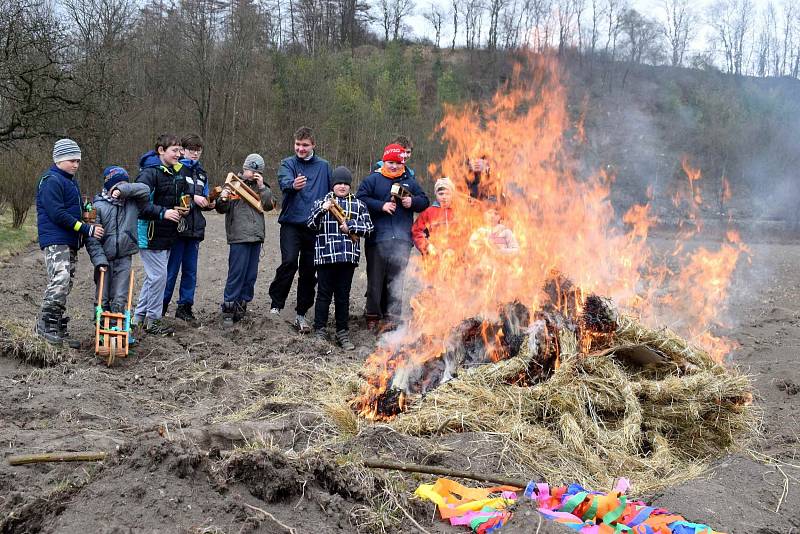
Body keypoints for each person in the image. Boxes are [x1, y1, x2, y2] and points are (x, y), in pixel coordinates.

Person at [35, 139, 105, 347]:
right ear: (59, 159)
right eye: (71, 160)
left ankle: (56, 324)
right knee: (61, 278)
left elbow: (70, 211)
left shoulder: (70, 182)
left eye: (78, 161)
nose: (76, 164)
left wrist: (84, 213)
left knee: (66, 283)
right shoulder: (51, 180)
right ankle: (45, 324)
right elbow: (57, 214)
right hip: (55, 239)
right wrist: (86, 228)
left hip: (69, 241)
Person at [356, 143, 429, 329]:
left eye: (397, 162)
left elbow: (425, 201)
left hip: (402, 240)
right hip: (377, 239)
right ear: (384, 161)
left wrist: (411, 201)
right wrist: (381, 206)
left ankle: (393, 317)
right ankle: (372, 316)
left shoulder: (410, 181)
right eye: (390, 162)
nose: (394, 166)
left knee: (396, 281)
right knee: (375, 280)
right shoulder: (373, 179)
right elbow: (360, 199)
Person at [268, 126, 332, 333]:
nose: (301, 149)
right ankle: (276, 304)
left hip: (315, 226)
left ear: (313, 145)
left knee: (308, 270)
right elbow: (284, 181)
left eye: (305, 145)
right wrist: (292, 185)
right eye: (297, 145)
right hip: (291, 223)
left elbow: (332, 191)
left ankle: (301, 311)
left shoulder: (324, 167)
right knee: (288, 262)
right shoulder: (288, 163)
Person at [307, 166, 373, 349]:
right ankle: (320, 329)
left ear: (350, 185)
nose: (342, 186)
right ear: (333, 185)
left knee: (343, 296)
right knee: (323, 295)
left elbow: (369, 228)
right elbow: (310, 224)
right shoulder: (321, 202)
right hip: (326, 257)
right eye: (339, 183)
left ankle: (342, 332)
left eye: (345, 183)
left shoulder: (359, 205)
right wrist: (322, 209)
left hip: (347, 258)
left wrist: (351, 226)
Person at [132, 134, 186, 336]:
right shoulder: (148, 174)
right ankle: (153, 320)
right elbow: (141, 205)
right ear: (161, 151)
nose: (179, 154)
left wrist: (180, 209)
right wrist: (164, 212)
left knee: (153, 277)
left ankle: (138, 318)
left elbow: (172, 200)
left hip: (165, 235)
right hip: (149, 234)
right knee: (159, 277)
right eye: (174, 150)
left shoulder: (174, 174)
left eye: (180, 150)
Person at [85, 166, 150, 332]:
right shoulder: (97, 206)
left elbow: (145, 190)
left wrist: (122, 189)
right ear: (108, 185)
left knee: (120, 295)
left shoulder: (132, 204)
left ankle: (118, 327)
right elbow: (92, 239)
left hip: (124, 257)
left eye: (124, 183)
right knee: (102, 296)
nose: (120, 187)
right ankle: (101, 327)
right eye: (117, 184)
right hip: (104, 258)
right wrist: (99, 260)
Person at [215, 154, 275, 328]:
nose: (252, 174)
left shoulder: (262, 188)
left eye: (257, 171)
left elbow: (269, 206)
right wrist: (224, 196)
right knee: (236, 273)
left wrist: (262, 186)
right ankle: (228, 308)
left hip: (256, 237)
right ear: (244, 168)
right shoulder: (232, 184)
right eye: (250, 170)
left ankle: (242, 306)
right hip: (239, 237)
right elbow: (221, 208)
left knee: (251, 275)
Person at [163, 133, 212, 325]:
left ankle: (185, 307)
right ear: (183, 150)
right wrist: (193, 199)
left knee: (191, 272)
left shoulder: (202, 174)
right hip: (177, 228)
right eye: (192, 149)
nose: (195, 153)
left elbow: (205, 197)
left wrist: (209, 202)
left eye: (198, 150)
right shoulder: (176, 168)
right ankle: (162, 306)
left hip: (195, 228)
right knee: (171, 270)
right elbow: (173, 194)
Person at [411, 177, 457, 256]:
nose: (444, 197)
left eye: (447, 194)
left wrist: (455, 249)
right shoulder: (428, 212)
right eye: (441, 194)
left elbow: (465, 234)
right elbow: (416, 232)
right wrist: (427, 246)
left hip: (455, 258)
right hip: (433, 258)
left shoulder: (459, 211)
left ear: (452, 194)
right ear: (436, 194)